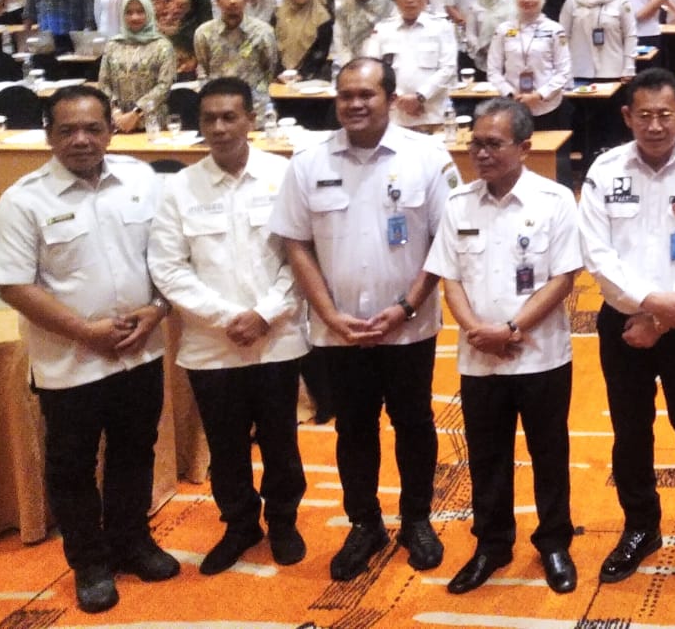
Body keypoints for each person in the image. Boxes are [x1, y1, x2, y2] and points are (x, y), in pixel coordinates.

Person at [0, 86, 178, 613]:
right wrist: (84, 331)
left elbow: (169, 255)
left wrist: (158, 309)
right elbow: (14, 285)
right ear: (48, 135)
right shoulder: (24, 200)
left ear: (111, 131)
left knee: (135, 452)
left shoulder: (141, 181)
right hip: (70, 363)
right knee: (71, 466)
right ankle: (90, 563)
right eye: (67, 130)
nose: (81, 140)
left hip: (140, 350)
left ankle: (132, 542)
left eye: (93, 128)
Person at [271, 58, 455, 582]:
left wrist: (407, 307)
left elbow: (445, 241)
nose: (355, 104)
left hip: (409, 327)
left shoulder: (427, 157)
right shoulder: (307, 161)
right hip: (340, 331)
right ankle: (365, 523)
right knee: (353, 429)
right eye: (346, 95)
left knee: (414, 423)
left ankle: (416, 519)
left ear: (390, 99)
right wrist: (329, 314)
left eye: (366, 94)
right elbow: (296, 243)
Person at [577, 68, 675, 590]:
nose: (655, 125)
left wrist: (661, 320)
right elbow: (596, 253)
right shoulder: (604, 171)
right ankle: (640, 527)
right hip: (623, 325)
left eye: (666, 114)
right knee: (630, 430)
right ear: (627, 116)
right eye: (644, 115)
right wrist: (646, 306)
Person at [146, 77, 308, 575]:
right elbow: (168, 267)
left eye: (229, 117)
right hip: (211, 345)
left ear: (250, 120)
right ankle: (240, 525)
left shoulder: (284, 175)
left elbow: (302, 256)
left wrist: (264, 314)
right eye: (209, 119)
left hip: (276, 339)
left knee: (281, 441)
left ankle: (282, 521)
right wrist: (227, 318)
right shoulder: (179, 188)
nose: (219, 128)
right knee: (226, 444)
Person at [426, 98, 582, 595]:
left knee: (548, 453)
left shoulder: (554, 200)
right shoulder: (459, 203)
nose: (481, 153)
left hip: (541, 355)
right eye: (475, 143)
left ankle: (554, 542)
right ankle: (492, 545)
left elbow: (563, 278)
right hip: (479, 358)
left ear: (524, 147)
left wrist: (511, 330)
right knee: (486, 457)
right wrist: (477, 329)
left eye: (493, 144)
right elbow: (449, 278)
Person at [367, 0, 457, 129]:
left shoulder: (441, 27)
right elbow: (373, 69)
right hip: (395, 116)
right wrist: (400, 99)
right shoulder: (382, 30)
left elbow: (448, 68)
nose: (410, 0)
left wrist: (420, 97)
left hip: (432, 115)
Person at [488, 0, 572, 129]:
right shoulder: (503, 30)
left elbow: (563, 71)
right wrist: (510, 93)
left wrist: (539, 95)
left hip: (548, 107)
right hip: (513, 106)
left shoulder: (555, 30)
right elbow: (493, 70)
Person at [99, 0, 177, 132]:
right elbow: (104, 83)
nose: (134, 17)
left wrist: (136, 113)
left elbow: (164, 86)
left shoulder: (162, 46)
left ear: (149, 13)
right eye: (129, 13)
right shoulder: (113, 45)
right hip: (117, 122)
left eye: (140, 12)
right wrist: (116, 112)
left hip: (152, 122)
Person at [194, 0, 278, 93]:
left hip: (253, 97)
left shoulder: (263, 32)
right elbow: (204, 66)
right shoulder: (204, 32)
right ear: (217, 0)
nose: (232, 1)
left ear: (246, 0)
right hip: (217, 95)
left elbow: (269, 69)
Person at [560, 0, 636, 82]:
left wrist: (629, 67)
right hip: (579, 70)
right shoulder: (573, 0)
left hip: (612, 70)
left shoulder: (620, 0)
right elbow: (563, 35)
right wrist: (563, 67)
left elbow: (630, 35)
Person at [275, 0, 333, 80]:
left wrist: (302, 74)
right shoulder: (279, 15)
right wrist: (280, 72)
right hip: (281, 74)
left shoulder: (322, 17)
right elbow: (273, 46)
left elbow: (321, 51)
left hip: (312, 74)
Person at [333, 0, 396, 66]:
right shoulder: (343, 13)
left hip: (387, 64)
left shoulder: (388, 8)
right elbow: (341, 45)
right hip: (355, 65)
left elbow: (395, 39)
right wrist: (351, 66)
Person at [466, 0, 515, 75]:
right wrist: (481, 48)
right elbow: (470, 33)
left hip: (508, 59)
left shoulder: (513, 6)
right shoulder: (476, 6)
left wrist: (502, 48)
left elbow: (515, 31)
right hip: (482, 57)